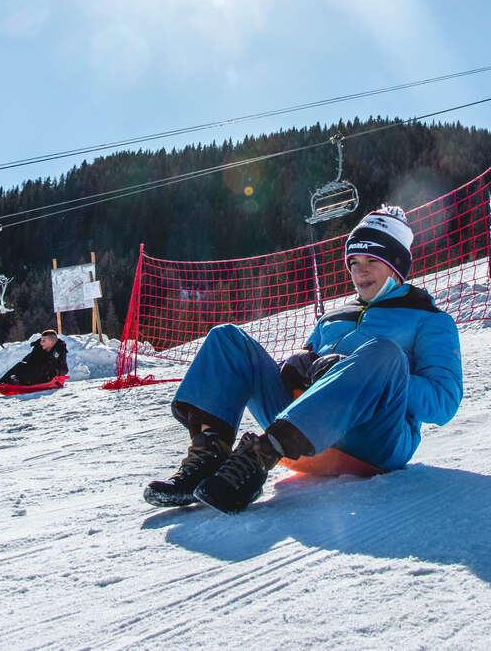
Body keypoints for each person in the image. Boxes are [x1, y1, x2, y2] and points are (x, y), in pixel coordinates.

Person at [144, 205, 463, 516]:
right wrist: (297, 365)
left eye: (372, 261)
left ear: (396, 266)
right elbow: (305, 373)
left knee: (385, 354)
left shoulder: (430, 320)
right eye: (354, 262)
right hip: (304, 443)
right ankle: (208, 454)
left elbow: (444, 402)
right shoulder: (333, 318)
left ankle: (259, 457)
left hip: (374, 443)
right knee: (227, 339)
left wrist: (365, 373)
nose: (360, 271)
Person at [0, 329, 68, 387]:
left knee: (41, 365)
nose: (41, 343)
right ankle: (1, 383)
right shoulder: (39, 348)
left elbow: (64, 369)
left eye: (44, 341)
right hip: (34, 374)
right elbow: (29, 359)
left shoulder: (59, 351)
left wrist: (56, 374)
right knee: (21, 364)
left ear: (52, 342)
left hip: (47, 376)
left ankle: (20, 381)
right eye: (41, 340)